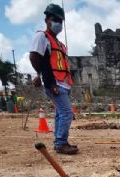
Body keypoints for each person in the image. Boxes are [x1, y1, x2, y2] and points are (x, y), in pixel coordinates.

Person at [29, 3, 78, 155]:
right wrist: (40, 75)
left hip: (64, 83)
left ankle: (60, 142)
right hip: (54, 82)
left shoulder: (58, 43)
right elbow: (35, 56)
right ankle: (61, 143)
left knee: (60, 113)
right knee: (66, 113)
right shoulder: (42, 37)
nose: (58, 23)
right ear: (47, 20)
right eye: (55, 19)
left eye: (60, 21)